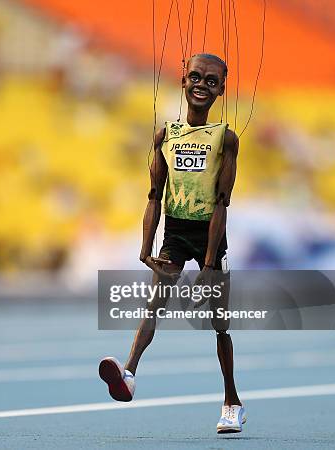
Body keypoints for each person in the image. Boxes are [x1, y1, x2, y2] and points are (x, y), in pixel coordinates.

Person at [99, 54, 244, 433]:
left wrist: (210, 264)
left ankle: (232, 400)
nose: (201, 85)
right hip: (175, 233)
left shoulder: (226, 138)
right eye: (195, 77)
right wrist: (146, 248)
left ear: (221, 89)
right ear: (183, 81)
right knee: (154, 305)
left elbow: (221, 202)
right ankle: (129, 373)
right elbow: (153, 195)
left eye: (211, 81)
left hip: (211, 233)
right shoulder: (166, 134)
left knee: (219, 322)